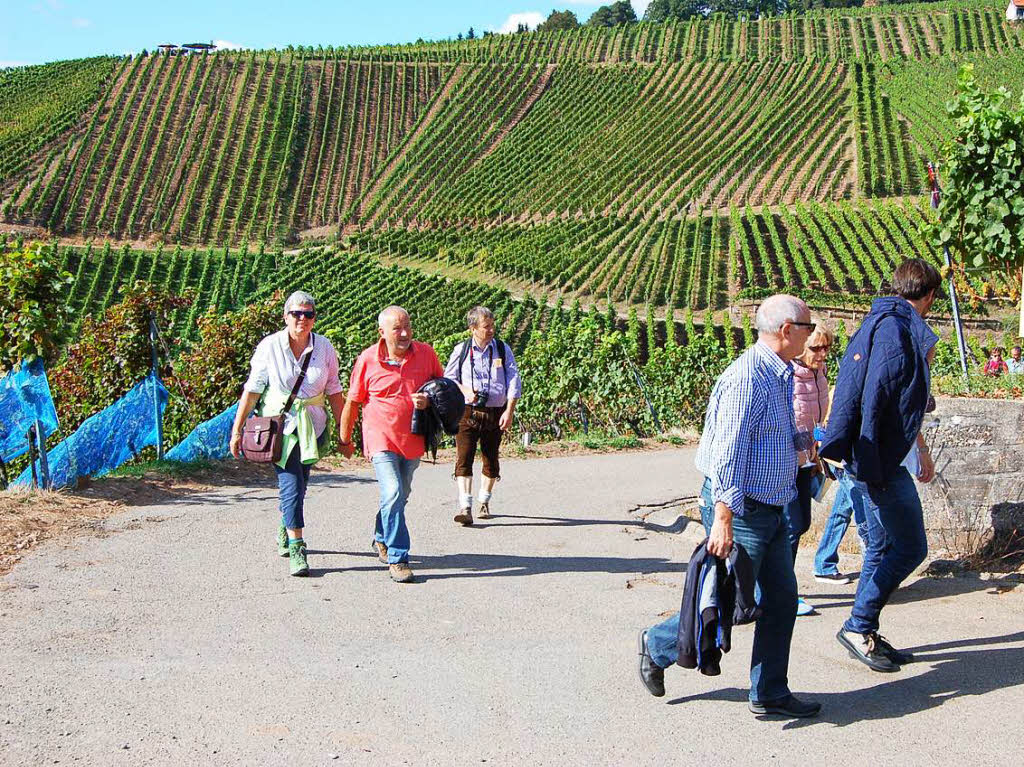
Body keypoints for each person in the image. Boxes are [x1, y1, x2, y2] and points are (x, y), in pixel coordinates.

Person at [637, 294, 821, 719]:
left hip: (772, 507)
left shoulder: (780, 373)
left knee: (780, 600)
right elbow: (727, 454)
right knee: (727, 600)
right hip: (742, 509)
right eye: (808, 328)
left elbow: (769, 434)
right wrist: (723, 518)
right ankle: (657, 644)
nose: (812, 336)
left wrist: (803, 446)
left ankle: (770, 691)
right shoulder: (747, 378)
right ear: (786, 331)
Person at [821, 258, 939, 673]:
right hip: (878, 462)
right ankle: (857, 625)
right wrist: (873, 464)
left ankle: (863, 628)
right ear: (927, 296)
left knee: (881, 547)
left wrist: (915, 443)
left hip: (872, 458)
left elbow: (897, 399)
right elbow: (876, 397)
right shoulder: (895, 329)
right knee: (910, 547)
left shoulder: (882, 321)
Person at [229, 291, 345, 577]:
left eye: (308, 314)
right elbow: (252, 391)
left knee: (302, 482)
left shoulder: (325, 347)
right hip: (281, 431)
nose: (302, 319)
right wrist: (237, 430)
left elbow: (333, 390)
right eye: (296, 313)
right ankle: (297, 547)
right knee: (291, 482)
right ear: (286, 317)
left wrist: (345, 433)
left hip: (313, 428)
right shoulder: (270, 347)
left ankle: (285, 523)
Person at [338, 306, 444, 584]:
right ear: (381, 333)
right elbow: (353, 401)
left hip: (413, 439)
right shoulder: (367, 360)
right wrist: (345, 439)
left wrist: (429, 400)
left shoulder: (426, 354)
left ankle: (381, 536)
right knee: (394, 491)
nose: (405, 333)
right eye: (397, 328)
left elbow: (444, 388)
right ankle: (399, 558)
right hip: (380, 438)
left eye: (407, 326)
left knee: (400, 494)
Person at [444, 306, 522, 525]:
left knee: (491, 458)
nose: (491, 330)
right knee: (464, 457)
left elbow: (514, 379)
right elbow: (448, 379)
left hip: (495, 413)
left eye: (492, 325)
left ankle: (484, 502)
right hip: (467, 411)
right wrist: (465, 390)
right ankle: (465, 506)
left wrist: (509, 410)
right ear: (473, 328)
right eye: (486, 327)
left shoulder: (501, 348)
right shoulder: (461, 350)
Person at [780, 324, 834, 615]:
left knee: (799, 525)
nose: (823, 354)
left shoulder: (818, 374)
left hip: (808, 459)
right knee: (791, 527)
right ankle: (782, 595)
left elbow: (817, 419)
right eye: (816, 348)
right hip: (789, 462)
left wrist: (817, 446)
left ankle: (774, 590)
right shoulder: (789, 376)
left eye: (827, 347)